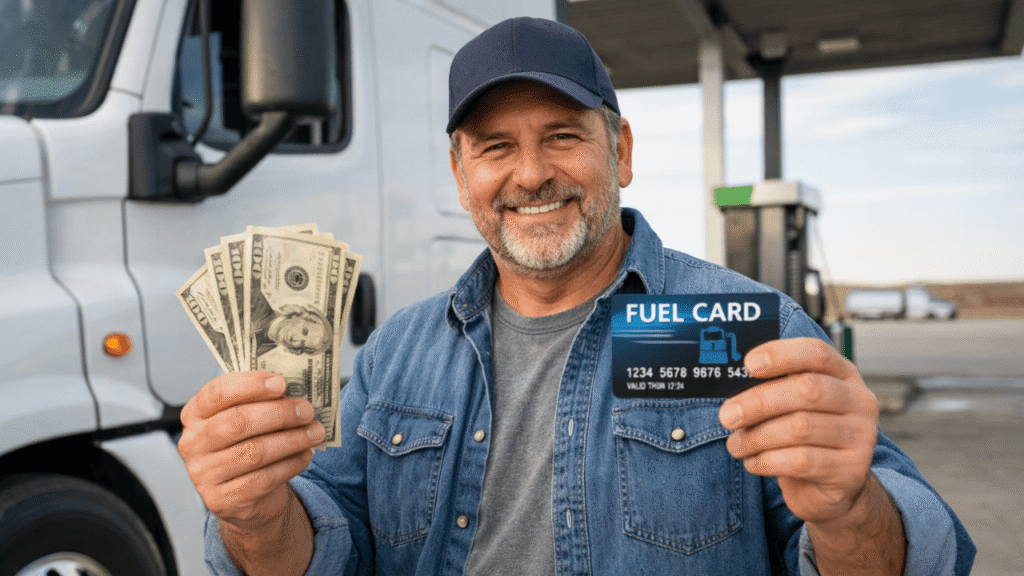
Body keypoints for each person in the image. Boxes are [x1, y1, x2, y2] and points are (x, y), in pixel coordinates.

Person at [177, 17, 974, 576]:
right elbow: (326, 555)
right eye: (496, 147)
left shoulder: (737, 330)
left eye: (562, 135)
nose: (529, 174)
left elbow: (912, 558)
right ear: (461, 176)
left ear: (619, 150)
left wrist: (848, 508)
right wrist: (254, 516)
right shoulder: (398, 354)